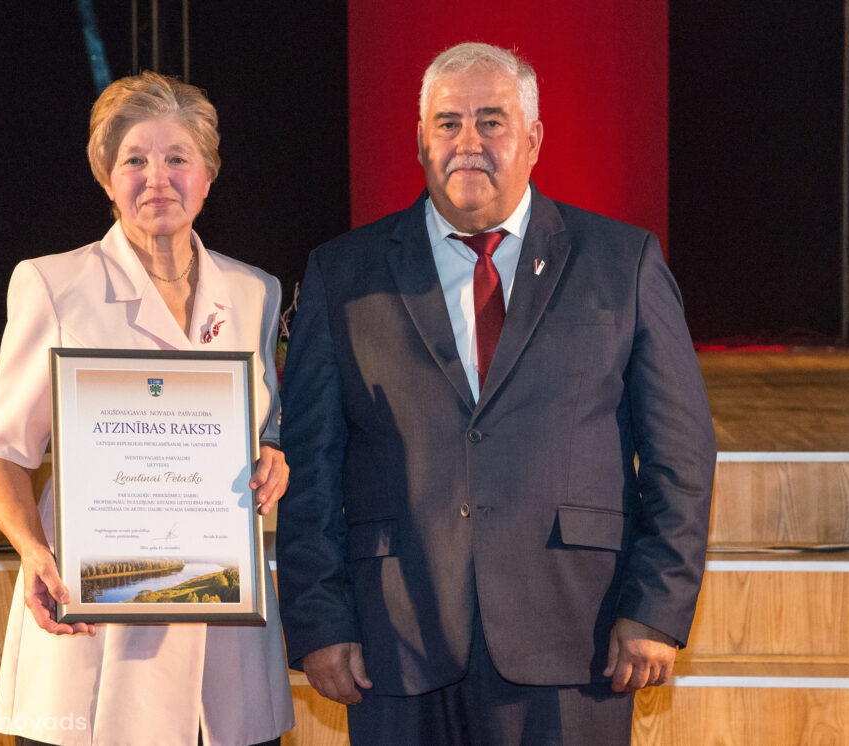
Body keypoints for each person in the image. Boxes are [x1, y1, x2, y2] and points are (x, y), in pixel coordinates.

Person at [275, 42, 716, 745]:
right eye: (448, 123)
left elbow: (681, 454)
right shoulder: (343, 273)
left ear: (533, 140)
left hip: (579, 634)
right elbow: (310, 465)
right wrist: (321, 619)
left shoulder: (622, 261)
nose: (468, 143)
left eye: (491, 121)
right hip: (396, 638)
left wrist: (657, 606)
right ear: (421, 141)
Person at [0, 71, 294, 746]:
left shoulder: (255, 293)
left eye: (177, 158)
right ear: (105, 177)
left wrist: (273, 455)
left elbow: (266, 426)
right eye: (134, 161)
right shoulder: (53, 284)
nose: (157, 179)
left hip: (225, 637)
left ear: (208, 174)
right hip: (96, 629)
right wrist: (33, 552)